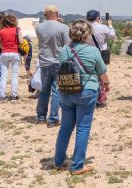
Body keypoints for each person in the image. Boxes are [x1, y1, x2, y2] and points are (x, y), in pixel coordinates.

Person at [54, 20, 109, 175]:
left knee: (65, 127)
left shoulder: (65, 49)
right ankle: (77, 165)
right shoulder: (93, 51)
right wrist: (107, 84)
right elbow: (101, 71)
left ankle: (58, 161)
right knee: (83, 128)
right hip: (86, 91)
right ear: (87, 34)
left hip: (66, 90)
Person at [36, 5, 71, 127]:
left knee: (44, 91)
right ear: (57, 13)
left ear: (45, 15)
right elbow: (67, 45)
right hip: (59, 62)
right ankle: (53, 118)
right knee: (57, 91)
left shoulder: (39, 27)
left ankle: (41, 117)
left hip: (45, 61)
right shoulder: (63, 27)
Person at [85, 10, 116, 108]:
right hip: (101, 54)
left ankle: (90, 97)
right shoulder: (103, 27)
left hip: (87, 54)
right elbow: (112, 36)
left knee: (89, 75)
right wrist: (110, 25)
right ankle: (100, 98)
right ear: (98, 18)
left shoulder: (84, 27)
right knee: (101, 76)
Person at [0, 14, 23, 101]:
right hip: (14, 53)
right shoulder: (17, 30)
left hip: (4, 54)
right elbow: (21, 41)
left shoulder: (1, 31)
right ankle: (14, 96)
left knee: (3, 76)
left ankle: (1, 96)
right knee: (14, 75)